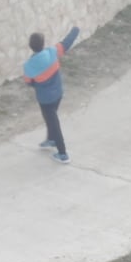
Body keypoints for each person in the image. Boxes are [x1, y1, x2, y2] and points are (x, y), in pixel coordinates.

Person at [22, 26, 82, 163]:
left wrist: (38, 83)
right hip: (58, 93)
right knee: (50, 118)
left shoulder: (28, 66)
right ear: (43, 44)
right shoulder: (52, 52)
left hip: (45, 99)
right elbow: (66, 43)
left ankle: (63, 154)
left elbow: (29, 82)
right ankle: (51, 139)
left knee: (53, 122)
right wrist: (75, 30)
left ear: (31, 47)